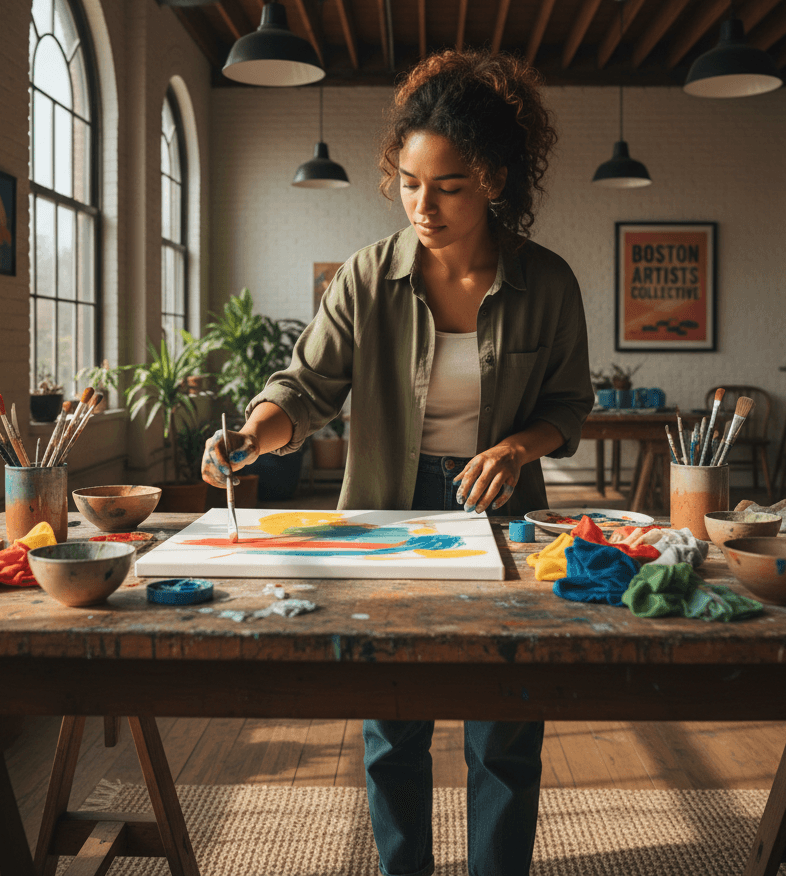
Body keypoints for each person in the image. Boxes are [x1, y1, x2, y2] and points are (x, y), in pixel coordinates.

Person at [203, 49, 593, 876]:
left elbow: (569, 407)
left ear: (491, 178)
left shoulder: (549, 284)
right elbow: (303, 388)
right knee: (394, 727)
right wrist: (251, 435)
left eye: (447, 185)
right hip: (387, 508)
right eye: (410, 182)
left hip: (505, 511)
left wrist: (520, 446)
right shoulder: (364, 280)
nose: (424, 204)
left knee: (506, 723)